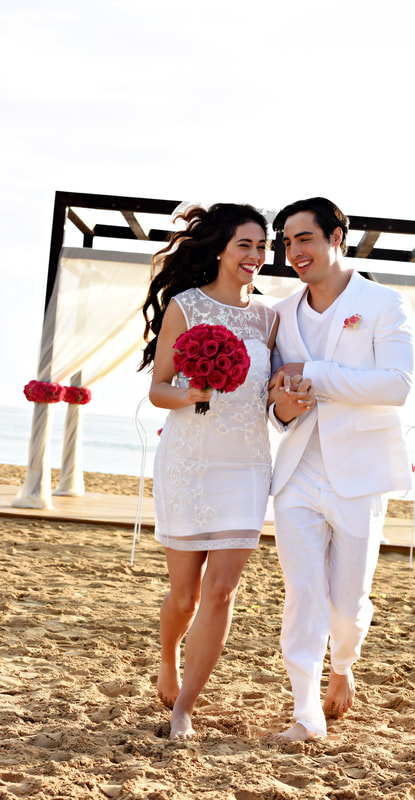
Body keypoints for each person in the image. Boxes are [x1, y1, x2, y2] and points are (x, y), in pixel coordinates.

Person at [268, 197, 415, 741]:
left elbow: (397, 385)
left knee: (347, 604)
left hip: (360, 473)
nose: (293, 252)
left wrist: (316, 373)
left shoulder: (383, 302)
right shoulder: (280, 313)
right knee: (303, 593)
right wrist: (285, 405)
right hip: (298, 474)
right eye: (286, 242)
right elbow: (277, 402)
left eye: (303, 239)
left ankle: (343, 666)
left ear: (337, 237)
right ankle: (305, 714)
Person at [140, 203, 278, 739]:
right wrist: (191, 393)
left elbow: (273, 390)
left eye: (263, 247)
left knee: (221, 592)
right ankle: (168, 654)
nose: (256, 256)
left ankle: (184, 710)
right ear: (221, 248)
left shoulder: (271, 317)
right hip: (189, 462)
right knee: (185, 597)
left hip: (246, 465)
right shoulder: (186, 307)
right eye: (246, 245)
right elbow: (158, 389)